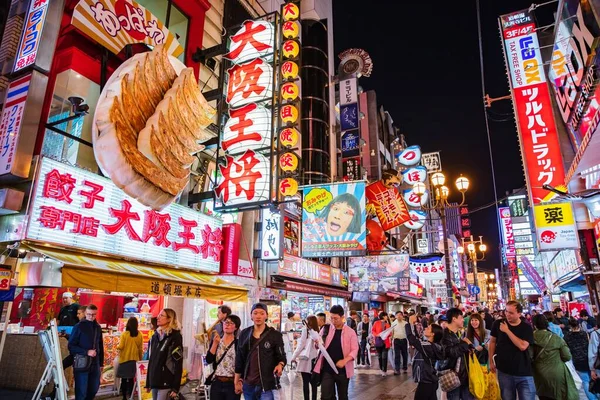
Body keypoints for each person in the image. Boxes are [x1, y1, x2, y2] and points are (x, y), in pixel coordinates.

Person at [235, 303, 286, 399]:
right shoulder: (244, 334)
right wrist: (236, 381)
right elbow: (239, 359)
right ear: (251, 315)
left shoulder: (275, 335)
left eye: (262, 313)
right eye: (255, 313)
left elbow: (282, 357)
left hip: (267, 385)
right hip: (248, 385)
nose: (258, 316)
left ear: (266, 315)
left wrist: (280, 365)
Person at [489, 301, 535, 400]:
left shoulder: (526, 328)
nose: (507, 314)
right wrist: (491, 361)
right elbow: (492, 342)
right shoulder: (498, 324)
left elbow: (522, 346)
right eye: (506, 311)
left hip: (524, 371)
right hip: (504, 371)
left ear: (519, 314)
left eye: (511, 313)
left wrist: (507, 331)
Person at [313, 305, 358, 400]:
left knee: (343, 396)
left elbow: (355, 350)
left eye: (336, 318)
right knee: (325, 396)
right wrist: (317, 343)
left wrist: (345, 360)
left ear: (342, 317)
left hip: (343, 371)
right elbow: (318, 345)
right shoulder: (326, 329)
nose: (333, 321)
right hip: (327, 369)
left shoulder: (350, 332)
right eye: (331, 318)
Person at [531, 314, 578, 400]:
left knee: (544, 396)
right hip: (557, 372)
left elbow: (529, 357)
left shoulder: (530, 339)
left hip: (539, 373)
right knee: (558, 395)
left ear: (534, 325)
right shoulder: (556, 338)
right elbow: (567, 356)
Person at [68, 304, 104, 400]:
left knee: (93, 389)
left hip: (95, 363)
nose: (91, 317)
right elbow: (71, 346)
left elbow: (100, 346)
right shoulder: (79, 326)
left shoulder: (97, 327)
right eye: (89, 314)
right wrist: (86, 351)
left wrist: (101, 364)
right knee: (81, 392)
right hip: (82, 362)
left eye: (93, 315)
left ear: (96, 314)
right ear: (85, 313)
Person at [146, 308, 184, 400]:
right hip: (154, 381)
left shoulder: (175, 336)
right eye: (158, 315)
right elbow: (151, 360)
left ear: (169, 319)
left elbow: (178, 362)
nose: (158, 317)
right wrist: (148, 382)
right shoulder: (155, 336)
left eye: (161, 315)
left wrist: (175, 387)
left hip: (166, 381)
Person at [406, 314, 445, 400]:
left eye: (428, 328)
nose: (425, 328)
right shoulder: (433, 345)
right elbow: (416, 339)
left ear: (432, 334)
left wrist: (409, 324)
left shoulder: (428, 346)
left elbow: (412, 339)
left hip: (426, 382)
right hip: (430, 380)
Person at [206, 314, 241, 400]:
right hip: (217, 382)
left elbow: (241, 364)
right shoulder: (217, 341)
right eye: (226, 322)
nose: (227, 325)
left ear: (236, 327)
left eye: (231, 323)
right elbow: (208, 360)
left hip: (232, 383)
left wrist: (239, 382)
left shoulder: (238, 344)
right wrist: (215, 344)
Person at [441, 308, 472, 400]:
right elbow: (450, 352)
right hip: (454, 376)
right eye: (461, 317)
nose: (463, 319)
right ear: (454, 319)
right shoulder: (445, 335)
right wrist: (464, 344)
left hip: (463, 375)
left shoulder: (458, 333)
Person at [565, 318, 596, 400]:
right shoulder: (584, 333)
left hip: (577, 361)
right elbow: (590, 345)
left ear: (569, 326)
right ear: (579, 325)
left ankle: (592, 399)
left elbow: (567, 349)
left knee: (585, 381)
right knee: (594, 379)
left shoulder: (567, 336)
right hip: (589, 359)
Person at [291, 316, 319, 400]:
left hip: (305, 360)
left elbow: (301, 345)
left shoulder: (305, 330)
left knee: (305, 383)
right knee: (314, 383)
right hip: (315, 360)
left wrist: (294, 356)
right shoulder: (317, 330)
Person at [117, 317, 143, 400]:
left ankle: (124, 397)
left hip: (124, 360)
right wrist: (140, 359)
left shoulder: (125, 334)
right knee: (131, 379)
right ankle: (131, 396)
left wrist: (117, 346)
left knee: (124, 379)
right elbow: (140, 349)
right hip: (134, 360)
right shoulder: (139, 334)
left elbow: (121, 346)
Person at [371, 311, 391, 376]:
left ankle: (384, 370)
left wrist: (387, 335)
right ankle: (381, 368)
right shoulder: (376, 323)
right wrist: (377, 335)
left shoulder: (387, 324)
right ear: (383, 316)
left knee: (384, 357)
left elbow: (390, 333)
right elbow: (373, 330)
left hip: (385, 342)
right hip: (378, 342)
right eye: (386, 316)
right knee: (379, 356)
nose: (387, 317)